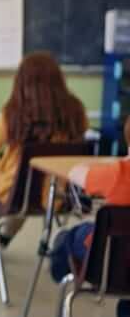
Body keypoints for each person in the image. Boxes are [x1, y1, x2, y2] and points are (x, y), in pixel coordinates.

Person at [0, 52, 88, 253]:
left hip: (20, 192)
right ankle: (6, 233)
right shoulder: (76, 112)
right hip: (60, 195)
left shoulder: (13, 114)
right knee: (30, 184)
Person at [48, 116, 130, 317]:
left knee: (72, 236)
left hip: (107, 267)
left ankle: (60, 268)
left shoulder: (119, 173)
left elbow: (75, 172)